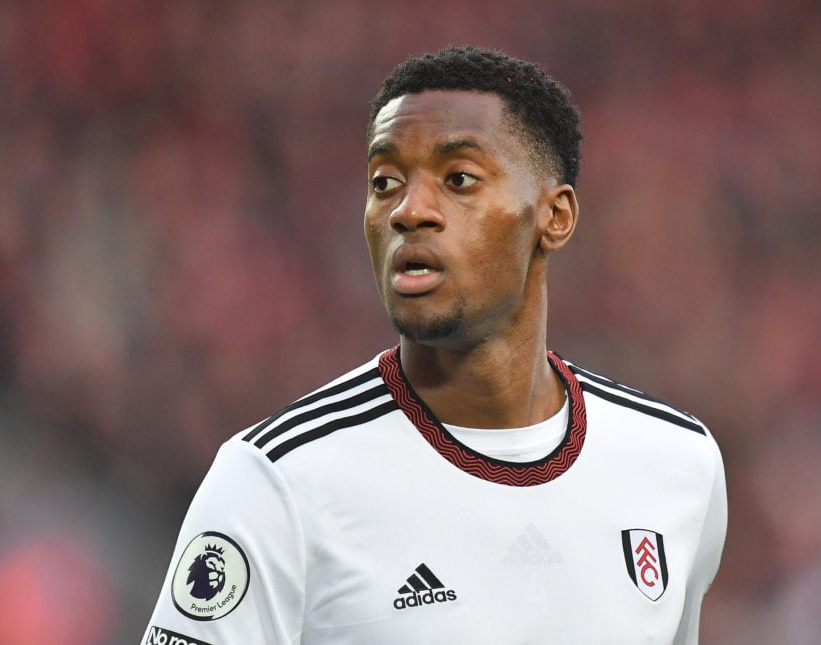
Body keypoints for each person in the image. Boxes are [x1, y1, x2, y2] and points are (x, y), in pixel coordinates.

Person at [142, 45, 727, 645]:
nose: (409, 210)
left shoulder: (678, 464)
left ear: (555, 217)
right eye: (385, 182)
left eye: (459, 179)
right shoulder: (274, 482)